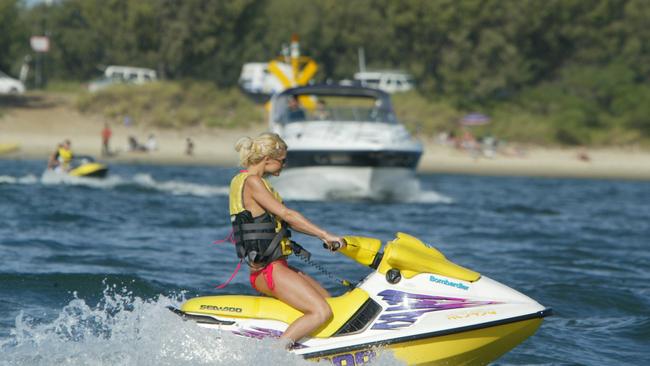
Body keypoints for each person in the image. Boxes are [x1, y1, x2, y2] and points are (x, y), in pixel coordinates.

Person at [230, 132, 344, 346]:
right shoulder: (253, 182)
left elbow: (287, 222)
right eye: (282, 161)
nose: (284, 165)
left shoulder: (243, 180)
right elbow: (288, 215)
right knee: (320, 312)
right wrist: (325, 235)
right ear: (268, 159)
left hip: (275, 268)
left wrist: (322, 236)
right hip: (270, 271)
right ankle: (275, 357)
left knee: (330, 302)